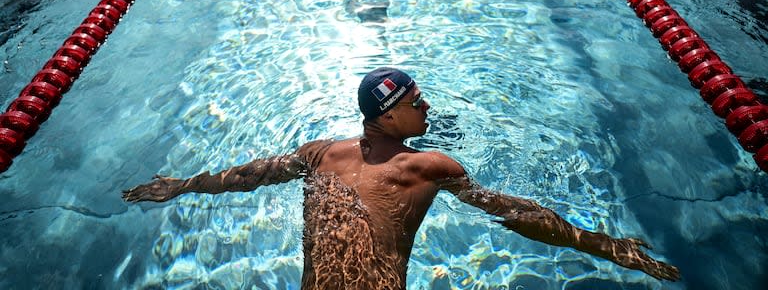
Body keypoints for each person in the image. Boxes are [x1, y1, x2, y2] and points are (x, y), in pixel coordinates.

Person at [123, 67, 680, 288]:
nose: (427, 105)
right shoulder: (429, 167)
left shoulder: (318, 153)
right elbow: (517, 215)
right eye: (416, 101)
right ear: (389, 117)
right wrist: (607, 247)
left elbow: (247, 176)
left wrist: (181, 185)